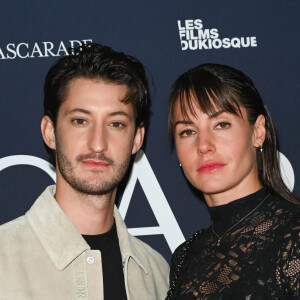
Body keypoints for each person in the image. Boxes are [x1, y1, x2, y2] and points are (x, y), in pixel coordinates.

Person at [0, 43, 169, 299]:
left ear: (137, 139)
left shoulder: (157, 275)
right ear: (50, 132)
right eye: (80, 121)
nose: (98, 143)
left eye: (116, 123)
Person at [166, 63, 300, 299]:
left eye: (221, 124)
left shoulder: (294, 236)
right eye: (187, 131)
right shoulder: (185, 256)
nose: (204, 145)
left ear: (258, 132)